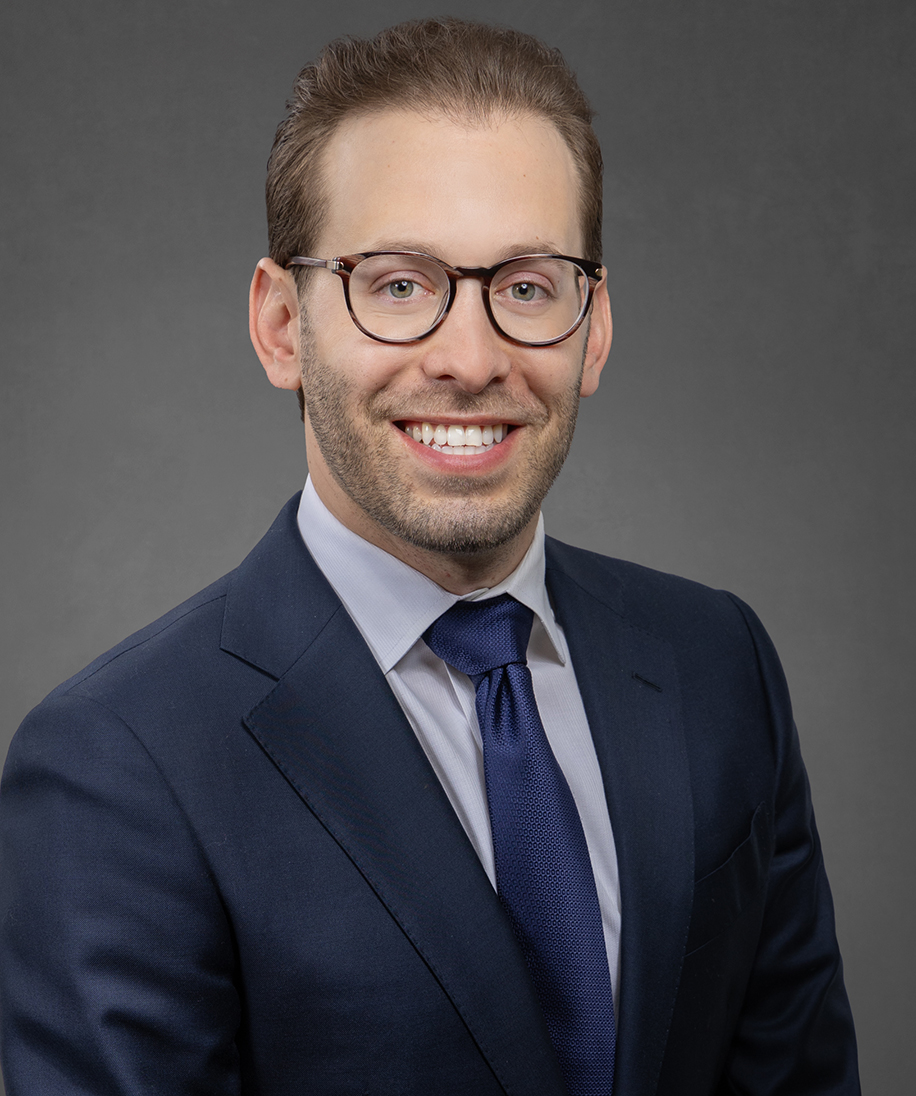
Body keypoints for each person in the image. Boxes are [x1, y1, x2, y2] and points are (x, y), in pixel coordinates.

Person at [0, 17, 859, 1096]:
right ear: (281, 326)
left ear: (593, 328)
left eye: (527, 285)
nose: (470, 357)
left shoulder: (717, 662)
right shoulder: (116, 766)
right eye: (398, 284)